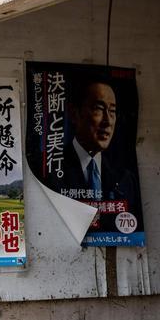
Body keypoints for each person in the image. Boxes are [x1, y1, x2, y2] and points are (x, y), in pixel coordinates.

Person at [58, 78, 140, 229]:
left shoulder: (125, 178)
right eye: (99, 109)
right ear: (74, 113)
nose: (108, 121)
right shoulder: (49, 170)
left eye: (112, 111)